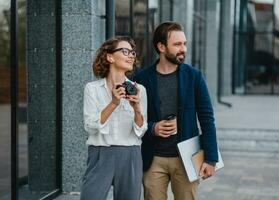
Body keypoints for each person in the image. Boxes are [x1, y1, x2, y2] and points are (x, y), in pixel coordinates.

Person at [133, 21, 218, 200]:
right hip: (153, 158)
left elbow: (207, 118)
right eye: (177, 44)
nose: (183, 49)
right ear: (161, 47)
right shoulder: (142, 78)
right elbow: (132, 117)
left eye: (184, 43)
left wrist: (211, 159)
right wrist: (153, 127)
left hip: (187, 158)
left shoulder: (194, 76)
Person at [80, 36, 148, 200]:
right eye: (125, 51)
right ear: (110, 57)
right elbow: (90, 126)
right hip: (100, 154)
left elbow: (141, 129)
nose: (131, 55)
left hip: (130, 155)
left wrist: (137, 108)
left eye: (132, 52)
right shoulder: (92, 89)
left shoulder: (139, 90)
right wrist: (113, 103)